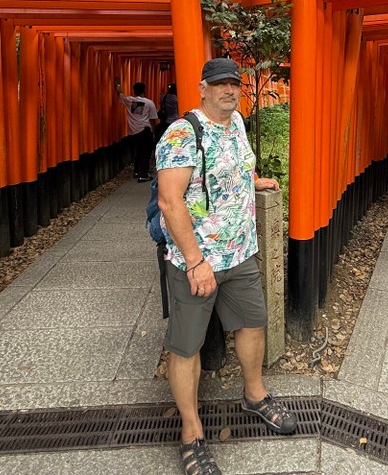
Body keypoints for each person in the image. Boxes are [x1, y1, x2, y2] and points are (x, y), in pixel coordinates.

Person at [156, 58, 296, 475]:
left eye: (234, 83)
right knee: (186, 346)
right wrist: (195, 261)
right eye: (219, 84)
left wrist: (253, 182)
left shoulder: (236, 123)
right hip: (196, 261)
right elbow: (170, 201)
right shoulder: (182, 133)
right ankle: (191, 432)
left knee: (253, 324)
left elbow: (233, 168)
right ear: (202, 88)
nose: (229, 90)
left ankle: (255, 394)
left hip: (240, 253)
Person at [115, 81, 158, 182]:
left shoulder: (129, 101)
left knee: (138, 152)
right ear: (144, 91)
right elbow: (152, 119)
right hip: (145, 130)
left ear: (134, 91)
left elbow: (120, 93)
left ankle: (136, 171)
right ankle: (143, 174)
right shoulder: (149, 103)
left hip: (133, 132)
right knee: (146, 153)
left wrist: (117, 85)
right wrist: (154, 132)